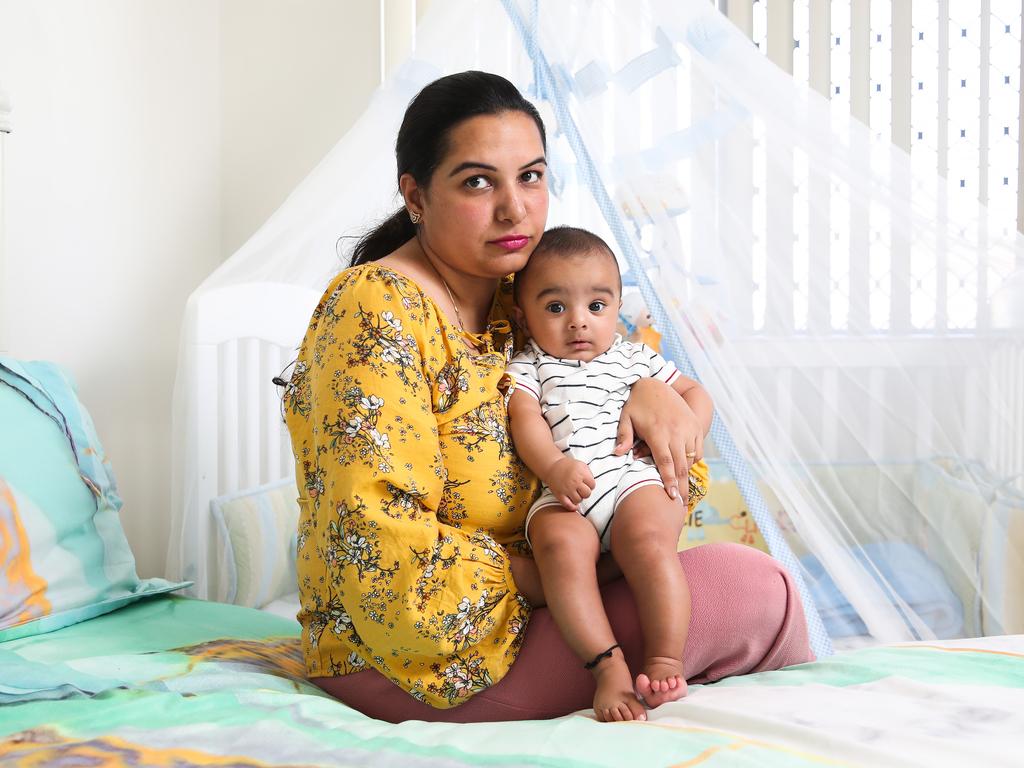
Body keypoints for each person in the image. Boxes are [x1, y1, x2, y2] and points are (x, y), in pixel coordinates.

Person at [282, 70, 813, 724]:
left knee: (748, 586)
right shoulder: (374, 310)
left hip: (548, 606)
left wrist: (648, 394)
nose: (516, 209)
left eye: (531, 176)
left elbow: (658, 480)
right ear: (415, 196)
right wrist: (576, 572)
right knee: (753, 590)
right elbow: (383, 556)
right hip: (414, 655)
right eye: (478, 181)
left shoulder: (526, 301)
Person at [506, 226, 709, 721]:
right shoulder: (527, 365)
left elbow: (696, 395)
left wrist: (690, 437)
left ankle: (665, 658)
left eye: (597, 307)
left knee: (648, 540)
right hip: (567, 486)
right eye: (555, 308)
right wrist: (554, 467)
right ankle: (608, 669)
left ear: (617, 307)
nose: (578, 323)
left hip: (630, 478)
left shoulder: (632, 357)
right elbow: (525, 421)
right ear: (522, 315)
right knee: (557, 546)